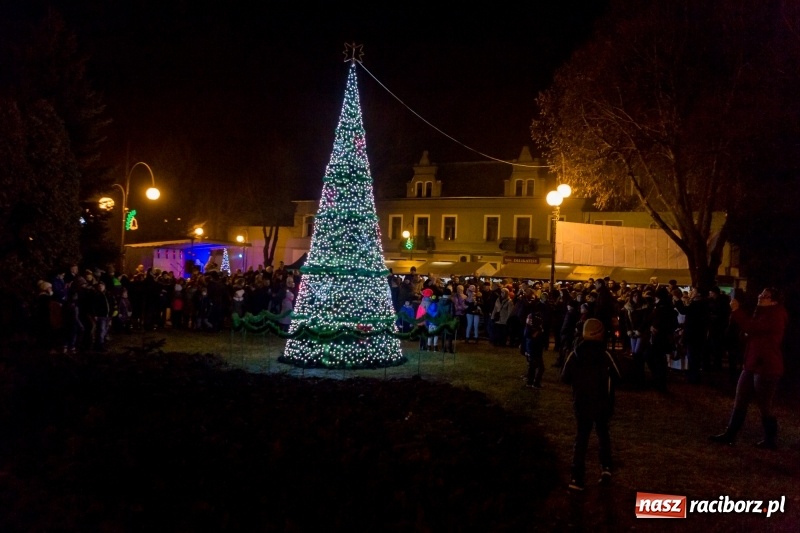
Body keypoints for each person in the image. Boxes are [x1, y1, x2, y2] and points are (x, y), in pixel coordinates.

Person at [709, 287, 788, 450]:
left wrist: (737, 311)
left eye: (765, 296)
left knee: (765, 404)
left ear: (774, 300)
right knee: (740, 399)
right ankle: (730, 434)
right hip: (752, 362)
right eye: (761, 294)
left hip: (767, 366)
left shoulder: (776, 314)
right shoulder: (761, 311)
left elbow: (753, 327)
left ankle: (770, 439)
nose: (760, 297)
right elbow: (751, 329)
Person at [561, 318, 622, 491]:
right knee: (603, 435)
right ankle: (606, 468)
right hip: (603, 403)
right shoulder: (605, 355)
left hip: (581, 403)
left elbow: (564, 377)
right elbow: (619, 376)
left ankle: (576, 477)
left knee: (581, 438)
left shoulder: (575, 354)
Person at [523, 313, 545, 389]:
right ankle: (536, 383)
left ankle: (530, 382)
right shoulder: (534, 331)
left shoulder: (528, 328)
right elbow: (534, 340)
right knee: (540, 367)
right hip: (534, 352)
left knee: (532, 367)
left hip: (531, 351)